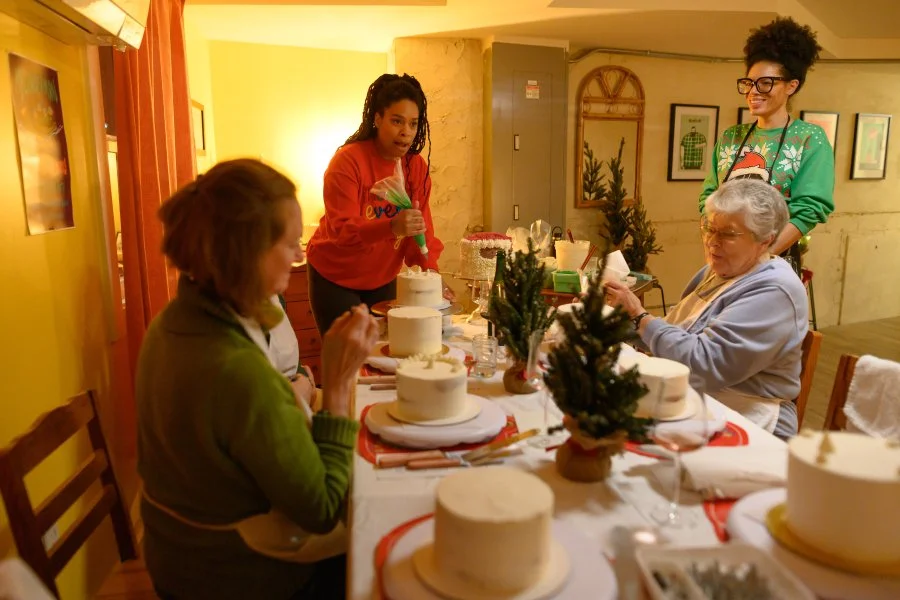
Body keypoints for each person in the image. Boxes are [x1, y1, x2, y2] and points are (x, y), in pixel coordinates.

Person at [136, 159, 380, 600]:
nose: (300, 256)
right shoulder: (235, 369)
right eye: (289, 244)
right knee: (384, 550)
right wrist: (339, 382)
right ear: (248, 254)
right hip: (233, 574)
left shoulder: (170, 323)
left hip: (176, 554)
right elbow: (322, 509)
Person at [606, 180, 809, 440]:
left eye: (728, 234)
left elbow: (704, 363)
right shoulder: (720, 271)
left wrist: (640, 316)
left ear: (765, 240)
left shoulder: (776, 290)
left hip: (750, 416)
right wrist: (612, 321)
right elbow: (677, 337)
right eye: (709, 228)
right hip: (703, 397)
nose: (712, 241)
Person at [305, 73, 450, 336]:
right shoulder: (347, 162)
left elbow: (421, 231)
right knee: (349, 359)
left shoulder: (415, 167)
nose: (406, 131)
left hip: (382, 277)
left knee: (387, 350)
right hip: (335, 277)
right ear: (378, 118)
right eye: (397, 121)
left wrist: (431, 275)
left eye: (413, 124)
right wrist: (392, 226)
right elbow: (343, 231)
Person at [699, 17, 834, 274]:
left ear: (791, 86)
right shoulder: (731, 137)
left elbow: (808, 210)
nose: (753, 91)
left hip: (773, 268)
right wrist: (714, 252)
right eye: (749, 83)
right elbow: (708, 199)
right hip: (724, 263)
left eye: (766, 83)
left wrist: (753, 262)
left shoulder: (809, 139)